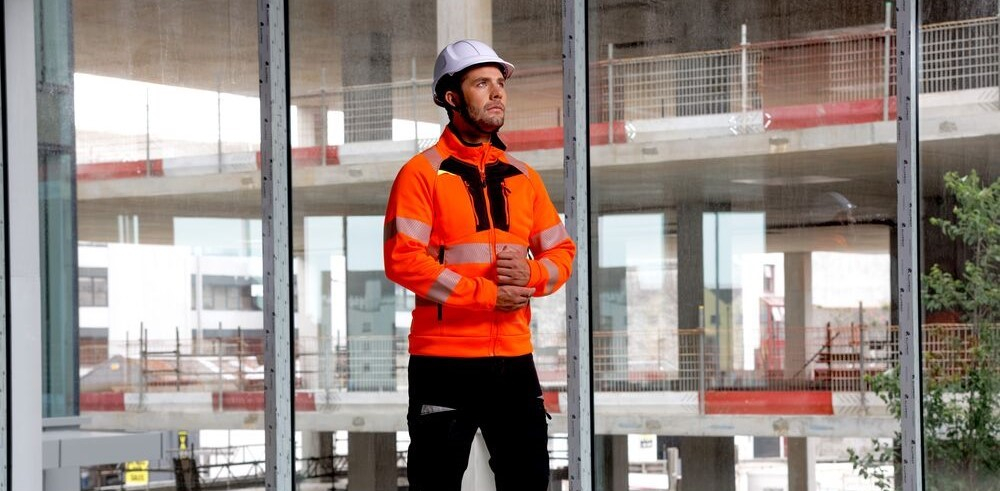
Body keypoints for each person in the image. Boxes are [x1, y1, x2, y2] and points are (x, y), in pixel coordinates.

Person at [383, 39, 576, 491]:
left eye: (500, 83)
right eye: (481, 83)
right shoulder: (420, 174)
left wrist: (532, 275)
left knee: (528, 482)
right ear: (452, 97)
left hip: (514, 360)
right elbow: (402, 260)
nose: (497, 93)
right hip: (443, 363)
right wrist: (489, 295)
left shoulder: (524, 177)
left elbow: (562, 251)